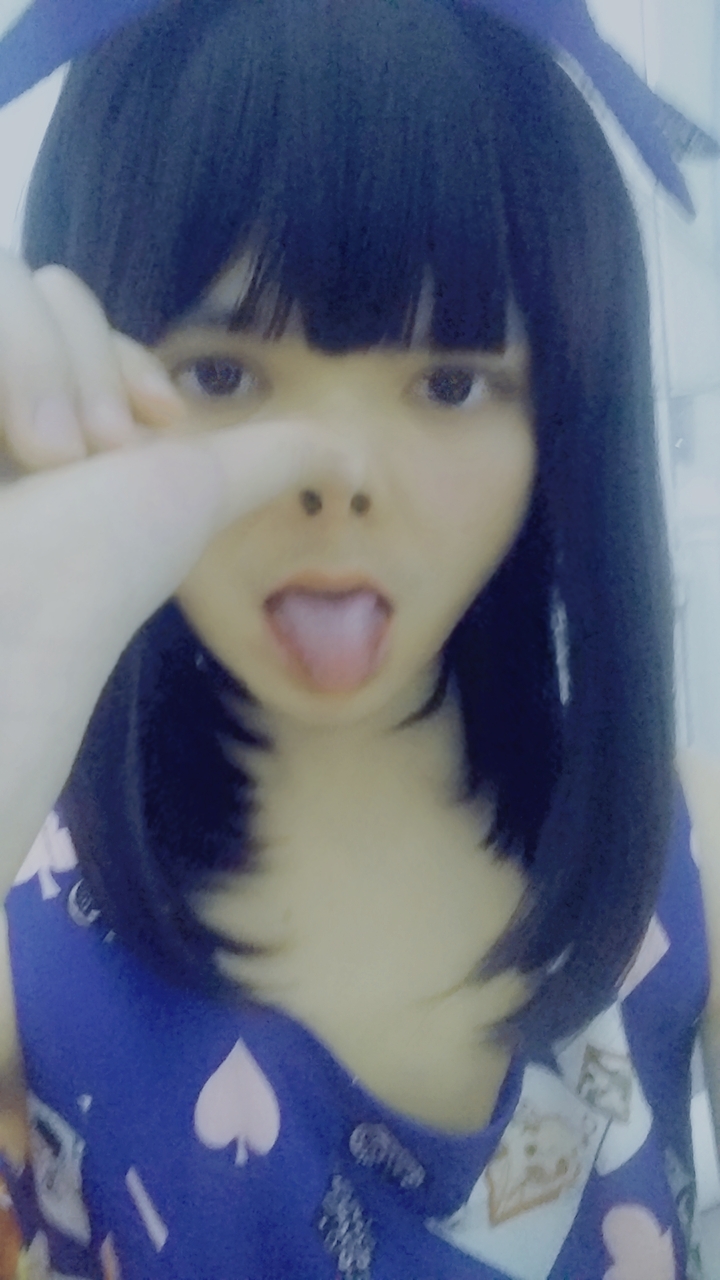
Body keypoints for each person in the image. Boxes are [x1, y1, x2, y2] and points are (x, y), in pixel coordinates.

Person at [0, 0, 716, 1275]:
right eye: (222, 372)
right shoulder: (23, 936)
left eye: (450, 382)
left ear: (561, 416)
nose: (338, 476)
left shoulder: (695, 849)